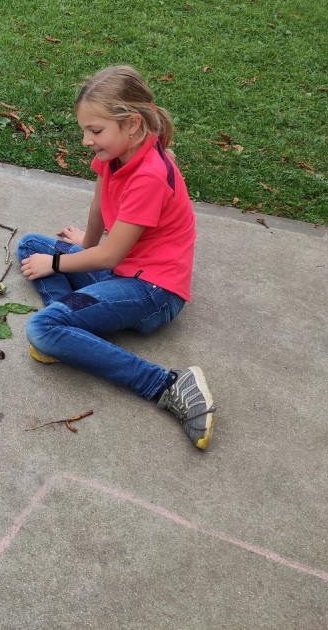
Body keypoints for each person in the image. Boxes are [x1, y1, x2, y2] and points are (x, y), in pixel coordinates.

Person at [17, 65, 214, 449]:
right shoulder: (117, 154)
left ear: (133, 124)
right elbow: (99, 201)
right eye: (84, 130)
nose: (86, 140)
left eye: (95, 130)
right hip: (123, 270)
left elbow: (110, 254)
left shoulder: (149, 176)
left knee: (42, 328)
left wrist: (58, 264)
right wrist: (86, 245)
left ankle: (167, 385)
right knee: (30, 246)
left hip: (154, 292)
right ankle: (69, 330)